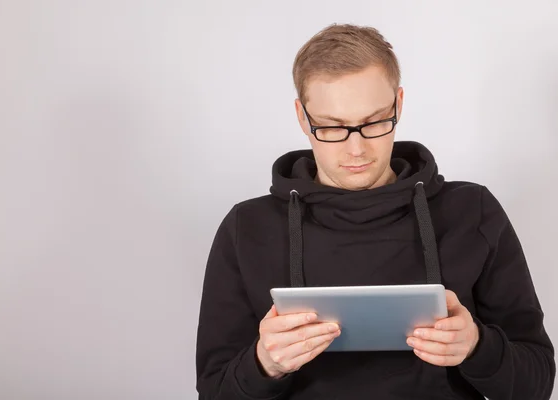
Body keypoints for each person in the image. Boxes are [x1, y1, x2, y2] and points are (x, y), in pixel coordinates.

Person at [194, 23, 556, 399]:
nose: (356, 150)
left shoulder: (472, 211)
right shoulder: (247, 228)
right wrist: (263, 364)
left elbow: (537, 384)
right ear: (303, 117)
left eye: (374, 122)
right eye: (332, 127)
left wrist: (478, 347)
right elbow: (214, 392)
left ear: (398, 105)